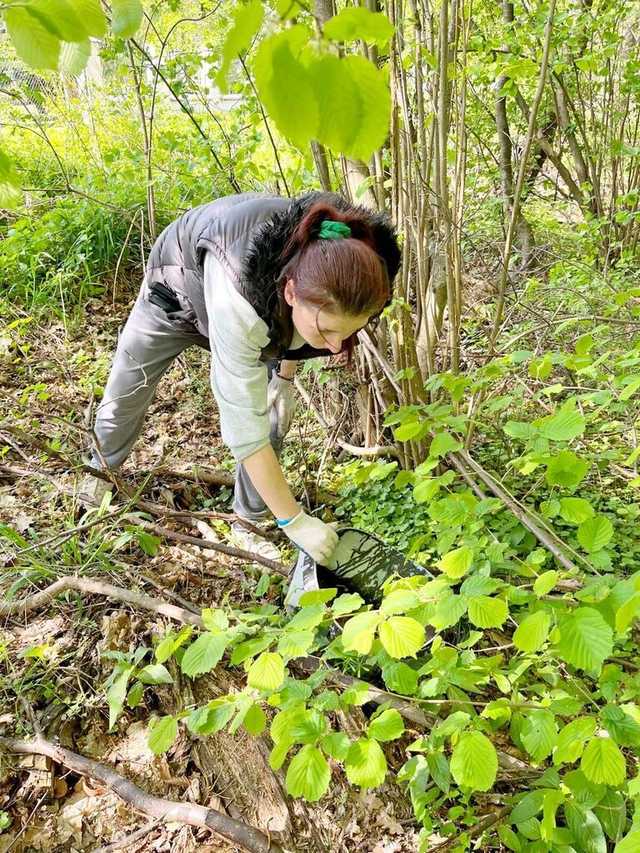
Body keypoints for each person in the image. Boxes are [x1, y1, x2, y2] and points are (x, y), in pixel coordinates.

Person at [83, 191, 401, 565]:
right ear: (291, 292)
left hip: (266, 306)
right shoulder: (239, 293)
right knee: (129, 389)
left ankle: (249, 523)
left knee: (274, 414)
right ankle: (98, 472)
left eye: (348, 333)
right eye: (328, 331)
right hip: (177, 291)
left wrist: (283, 381)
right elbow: (242, 425)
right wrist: (295, 520)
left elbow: (291, 337)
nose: (335, 348)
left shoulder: (349, 270)